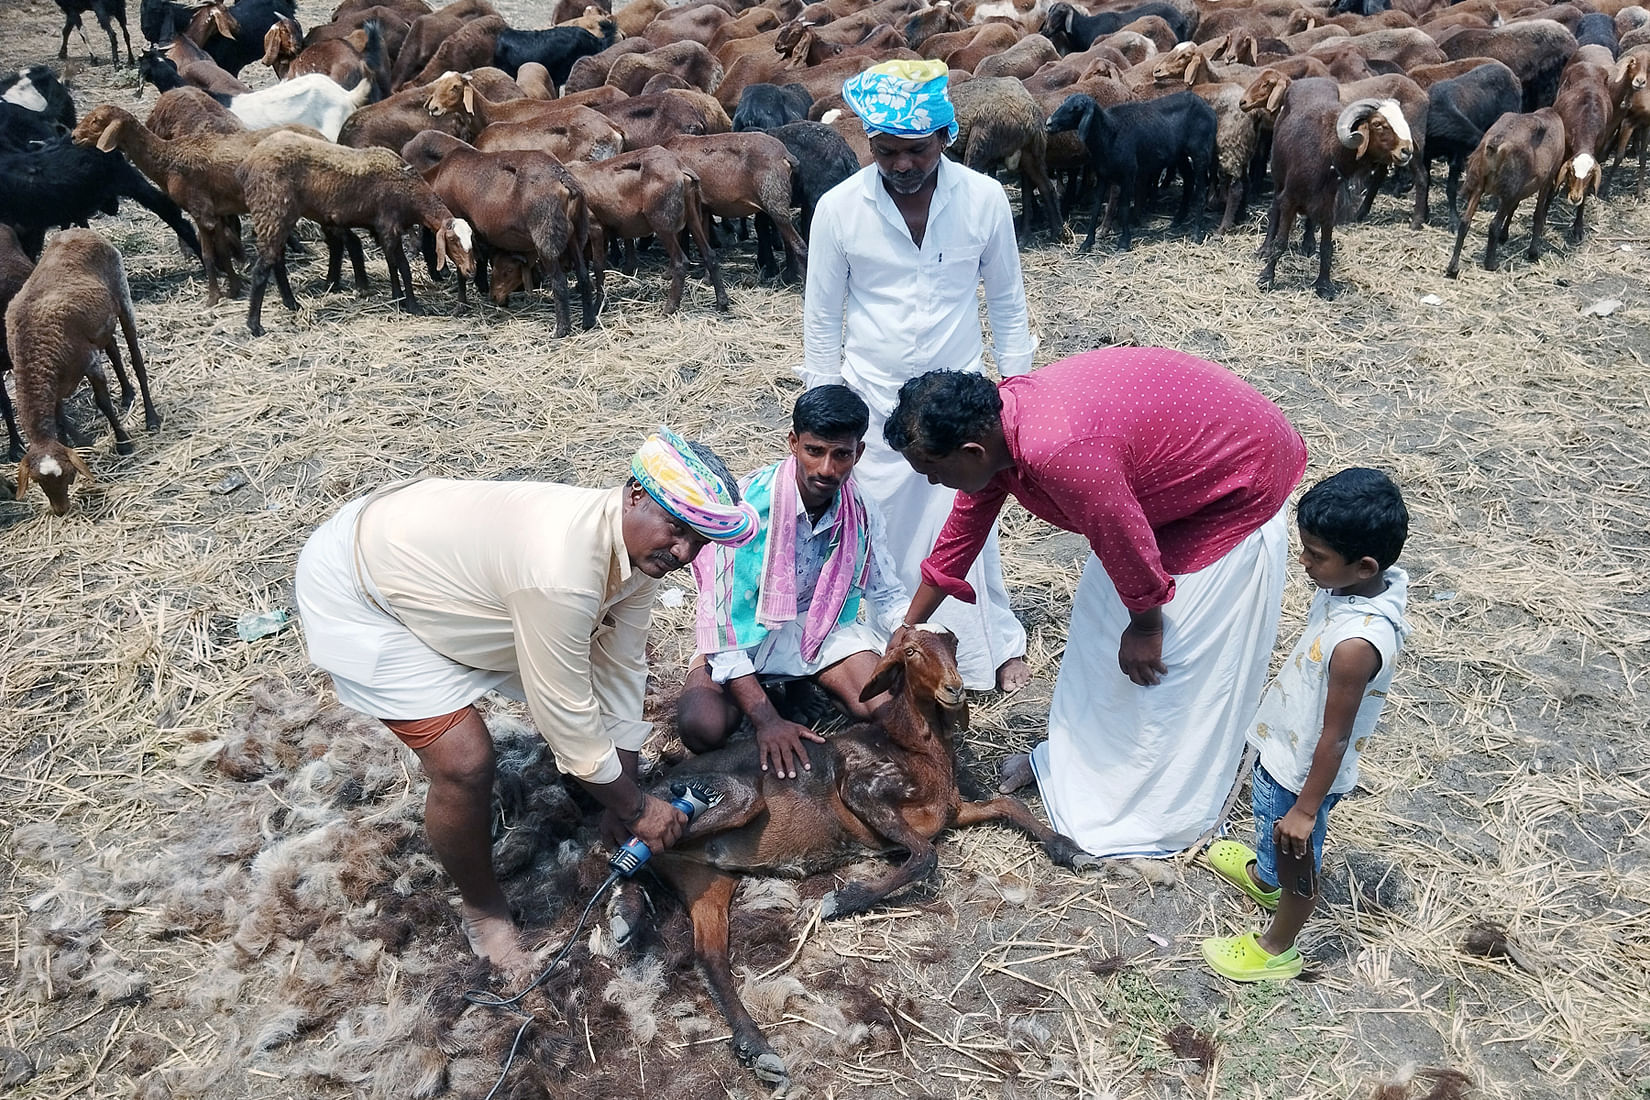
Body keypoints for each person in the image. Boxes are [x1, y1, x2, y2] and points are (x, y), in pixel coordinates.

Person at [293, 429, 758, 974]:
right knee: (465, 762)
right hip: (362, 585)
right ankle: (483, 910)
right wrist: (635, 807)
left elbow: (621, 665)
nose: (683, 552)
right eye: (677, 528)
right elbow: (565, 716)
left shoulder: (633, 548)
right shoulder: (562, 572)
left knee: (583, 661)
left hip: (428, 556)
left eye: (699, 541)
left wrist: (622, 787)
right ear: (634, 493)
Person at [884, 347, 1310, 857]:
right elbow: (962, 533)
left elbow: (1125, 539)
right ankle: (1076, 773)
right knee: (1098, 642)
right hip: (1146, 500)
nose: (931, 482)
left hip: (1233, 484)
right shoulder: (1001, 429)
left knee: (1167, 672)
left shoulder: (1059, 451)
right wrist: (909, 625)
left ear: (973, 450)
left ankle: (1147, 812)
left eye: (933, 470)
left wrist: (1148, 628)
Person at [801, 58, 1033, 694]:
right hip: (870, 397)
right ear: (869, 143)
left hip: (960, 398)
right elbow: (822, 319)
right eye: (886, 151)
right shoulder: (838, 210)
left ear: (944, 136)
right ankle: (885, 644)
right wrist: (821, 409)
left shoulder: (984, 200)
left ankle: (986, 649)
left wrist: (1020, 398)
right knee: (871, 522)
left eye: (915, 151)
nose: (901, 165)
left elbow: (1008, 307)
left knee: (968, 521)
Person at [1202, 468, 1412, 981]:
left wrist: (1306, 809)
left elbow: (1336, 736)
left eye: (1315, 555)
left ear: (1363, 565)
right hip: (1286, 749)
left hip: (1304, 774)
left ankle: (1277, 947)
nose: (1303, 562)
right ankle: (1264, 876)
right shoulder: (1360, 588)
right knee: (1269, 828)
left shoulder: (1356, 646)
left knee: (1296, 850)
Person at [677, 385, 909, 779]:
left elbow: (885, 592)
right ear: (793, 443)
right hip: (746, 636)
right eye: (814, 451)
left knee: (888, 709)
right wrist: (766, 720)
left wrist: (912, 635)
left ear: (859, 454)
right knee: (703, 727)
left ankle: (803, 681)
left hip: (817, 630)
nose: (826, 469)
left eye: (842, 455)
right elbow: (722, 623)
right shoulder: (745, 507)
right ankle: (775, 693)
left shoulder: (862, 507)